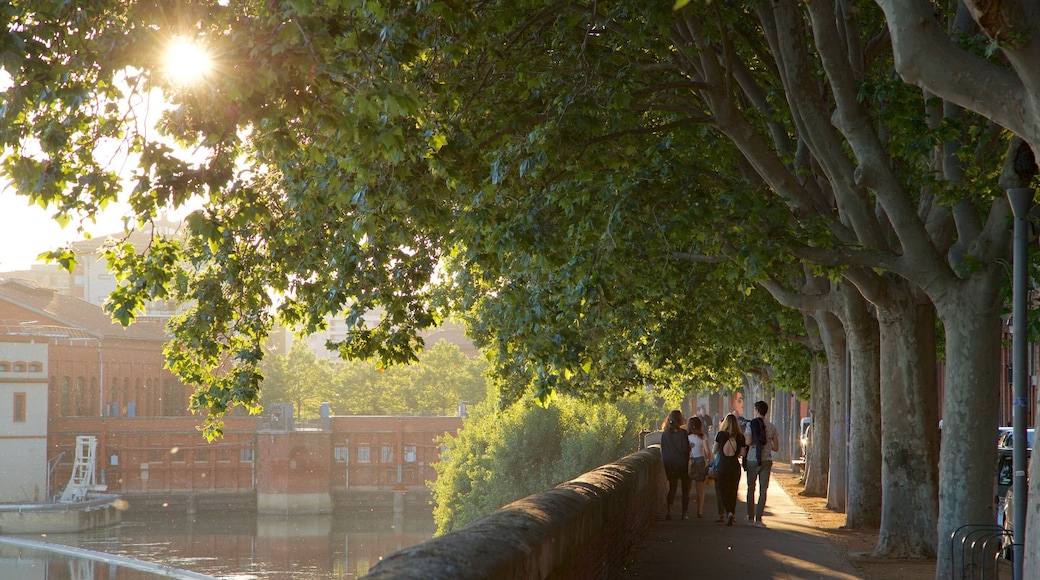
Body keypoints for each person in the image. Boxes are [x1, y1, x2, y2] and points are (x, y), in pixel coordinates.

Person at [744, 400, 780, 526]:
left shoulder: (750, 425)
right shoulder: (771, 427)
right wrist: (767, 445)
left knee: (750, 488)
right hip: (766, 460)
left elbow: (748, 442)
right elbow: (776, 448)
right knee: (763, 490)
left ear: (757, 410)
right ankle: (759, 518)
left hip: (752, 460)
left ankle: (750, 516)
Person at [713, 413, 745, 526]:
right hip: (734, 466)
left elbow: (714, 450)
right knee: (733, 490)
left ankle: (728, 512)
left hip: (723, 465)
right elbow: (742, 453)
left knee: (722, 490)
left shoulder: (720, 434)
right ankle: (732, 513)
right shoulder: (741, 437)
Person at [659, 409, 692, 520]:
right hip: (682, 464)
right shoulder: (682, 433)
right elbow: (684, 450)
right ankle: (684, 513)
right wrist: (690, 448)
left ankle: (669, 510)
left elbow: (663, 451)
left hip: (670, 465)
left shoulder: (664, 435)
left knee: (672, 488)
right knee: (685, 490)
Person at [686, 416, 711, 518]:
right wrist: (709, 461)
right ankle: (699, 511)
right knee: (700, 488)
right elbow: (707, 451)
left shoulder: (686, 437)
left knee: (687, 487)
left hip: (689, 461)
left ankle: (686, 510)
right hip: (700, 460)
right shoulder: (702, 436)